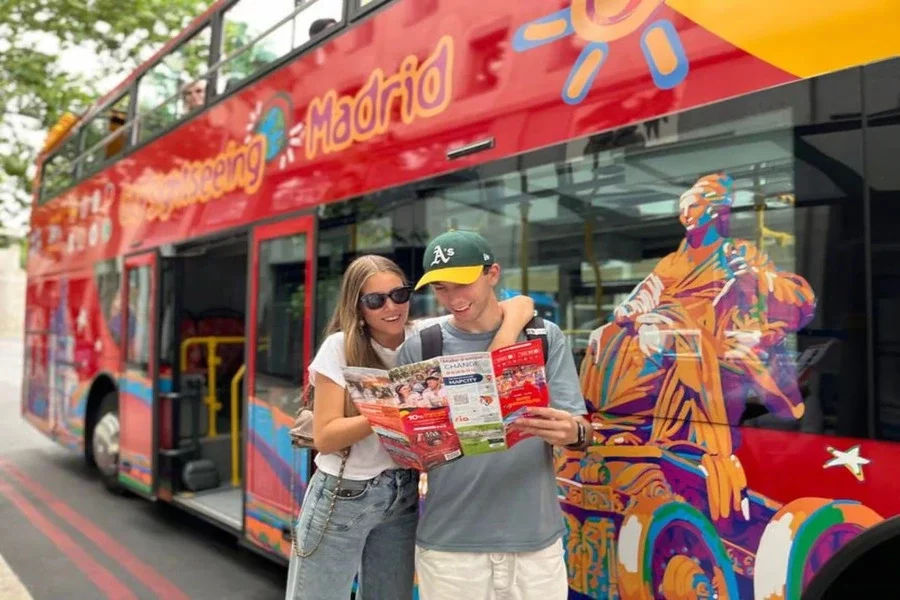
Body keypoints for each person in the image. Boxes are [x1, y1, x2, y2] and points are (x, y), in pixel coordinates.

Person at [285, 254, 536, 600]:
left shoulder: (424, 337)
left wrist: (511, 322)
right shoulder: (339, 346)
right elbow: (326, 437)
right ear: (357, 307)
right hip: (343, 494)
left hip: (402, 493)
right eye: (375, 301)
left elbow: (519, 306)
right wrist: (391, 411)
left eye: (399, 295)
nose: (391, 307)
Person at [581, 173, 815, 522]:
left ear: (714, 210)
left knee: (656, 332)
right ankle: (609, 421)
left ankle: (675, 433)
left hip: (713, 339)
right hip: (668, 328)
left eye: (692, 206)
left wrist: (752, 278)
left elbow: (797, 299)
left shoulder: (737, 252)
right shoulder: (671, 262)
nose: (684, 214)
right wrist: (629, 308)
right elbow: (647, 292)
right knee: (603, 335)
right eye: (682, 208)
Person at [396, 230, 590, 599]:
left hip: (535, 542)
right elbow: (412, 445)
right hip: (450, 546)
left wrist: (572, 433)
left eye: (463, 284)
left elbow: (580, 429)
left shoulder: (543, 337)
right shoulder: (421, 347)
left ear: (493, 274)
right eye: (441, 288)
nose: (454, 298)